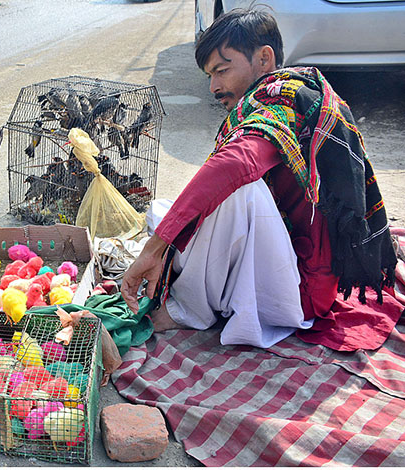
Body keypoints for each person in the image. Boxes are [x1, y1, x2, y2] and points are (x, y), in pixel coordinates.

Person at [121, 8, 403, 350]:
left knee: (237, 192)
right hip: (281, 258)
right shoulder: (274, 98)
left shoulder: (283, 105)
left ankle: (187, 310)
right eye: (210, 75)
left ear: (264, 59)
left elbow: (237, 164)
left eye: (221, 71)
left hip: (299, 291)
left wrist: (156, 247)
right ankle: (198, 281)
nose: (213, 86)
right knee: (170, 208)